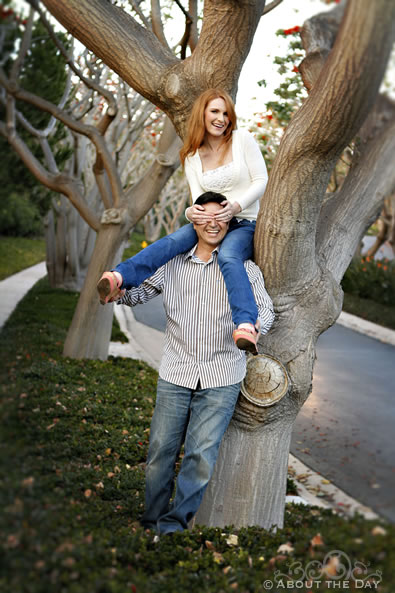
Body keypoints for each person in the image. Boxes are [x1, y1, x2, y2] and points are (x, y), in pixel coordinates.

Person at [112, 192, 274, 535]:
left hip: (222, 376)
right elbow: (140, 293)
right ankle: (151, 520)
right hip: (176, 371)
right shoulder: (172, 263)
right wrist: (119, 292)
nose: (213, 223)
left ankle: (172, 528)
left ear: (230, 222)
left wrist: (257, 325)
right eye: (205, 217)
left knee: (200, 458)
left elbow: (266, 311)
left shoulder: (244, 269)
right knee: (160, 453)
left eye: (220, 217)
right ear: (193, 220)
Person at [97, 89, 268, 354]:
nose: (221, 118)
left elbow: (261, 181)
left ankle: (246, 324)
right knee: (171, 242)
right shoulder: (191, 155)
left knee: (230, 256)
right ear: (203, 114)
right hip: (208, 222)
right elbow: (198, 198)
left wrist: (236, 206)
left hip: (243, 222)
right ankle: (119, 276)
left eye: (225, 113)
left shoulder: (242, 140)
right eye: (215, 111)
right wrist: (191, 214)